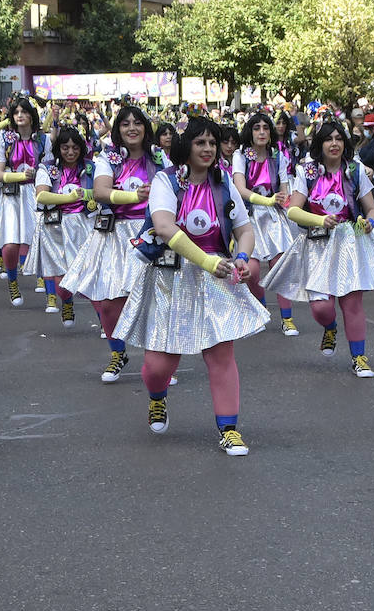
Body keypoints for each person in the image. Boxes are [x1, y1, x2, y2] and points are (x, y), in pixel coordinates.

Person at [115, 118, 269, 456]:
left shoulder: (224, 181)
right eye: (201, 143)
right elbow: (165, 228)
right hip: (171, 277)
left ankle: (229, 429)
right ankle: (157, 397)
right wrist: (209, 262)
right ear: (188, 146)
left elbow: (244, 228)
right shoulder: (165, 181)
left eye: (213, 143)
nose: (208, 149)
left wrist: (242, 256)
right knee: (158, 367)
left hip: (216, 279)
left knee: (221, 355)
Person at [261, 117, 374, 378]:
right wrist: (319, 220)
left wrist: (368, 224)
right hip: (316, 245)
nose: (334, 143)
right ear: (320, 143)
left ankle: (359, 356)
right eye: (328, 138)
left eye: (338, 138)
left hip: (350, 241)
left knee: (352, 302)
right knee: (321, 308)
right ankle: (331, 327)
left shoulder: (355, 170)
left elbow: (371, 209)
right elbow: (292, 210)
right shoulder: (307, 171)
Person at [59, 105, 166, 382]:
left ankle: (158, 359)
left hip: (151, 232)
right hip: (114, 234)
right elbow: (101, 192)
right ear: (118, 129)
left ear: (145, 127)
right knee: (108, 304)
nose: (132, 128)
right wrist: (134, 197)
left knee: (155, 300)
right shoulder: (108, 158)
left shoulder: (159, 157)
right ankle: (118, 353)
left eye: (137, 123)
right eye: (125, 124)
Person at [231, 111, 300, 336]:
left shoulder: (277, 155)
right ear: (249, 132)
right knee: (250, 270)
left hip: (273, 218)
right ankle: (260, 310)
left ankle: (287, 318)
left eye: (266, 128)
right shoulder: (240, 155)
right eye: (257, 128)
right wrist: (266, 200)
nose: (262, 132)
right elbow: (240, 189)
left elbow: (283, 185)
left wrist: (283, 198)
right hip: (249, 218)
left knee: (280, 268)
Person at [32, 125, 95, 324]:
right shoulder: (48, 168)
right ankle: (66, 303)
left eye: (75, 147)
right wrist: (68, 197)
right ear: (58, 148)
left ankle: (103, 319)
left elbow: (102, 190)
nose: (70, 152)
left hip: (85, 224)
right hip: (56, 227)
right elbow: (41, 195)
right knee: (61, 282)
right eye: (65, 147)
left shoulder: (90, 167)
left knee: (91, 275)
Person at [0, 97, 48, 306]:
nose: (20, 115)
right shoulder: (4, 139)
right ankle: (13, 281)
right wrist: (19, 176)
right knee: (11, 243)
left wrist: (39, 176)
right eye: (16, 113)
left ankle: (46, 283)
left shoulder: (43, 139)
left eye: (24, 111)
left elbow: (50, 167)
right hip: (12, 195)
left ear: (32, 115)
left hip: (37, 192)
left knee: (40, 239)